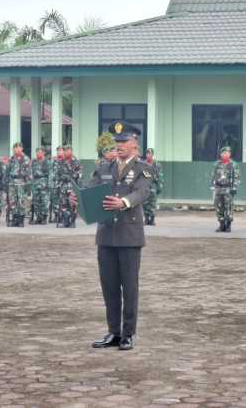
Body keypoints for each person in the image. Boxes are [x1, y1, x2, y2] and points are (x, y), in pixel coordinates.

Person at [71, 120, 153, 351]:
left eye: (123, 141)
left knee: (129, 286)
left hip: (129, 235)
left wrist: (124, 202)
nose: (119, 145)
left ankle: (128, 333)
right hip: (106, 234)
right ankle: (113, 332)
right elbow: (90, 187)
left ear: (134, 143)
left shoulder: (142, 168)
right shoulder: (105, 167)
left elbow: (142, 192)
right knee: (109, 286)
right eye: (117, 141)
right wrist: (78, 198)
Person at [211, 146, 240, 232]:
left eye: (227, 153)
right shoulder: (217, 164)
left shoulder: (234, 164)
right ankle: (221, 224)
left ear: (230, 154)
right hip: (218, 188)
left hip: (228, 188)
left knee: (228, 207)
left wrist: (235, 187)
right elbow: (213, 176)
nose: (225, 154)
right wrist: (212, 186)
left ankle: (228, 225)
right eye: (223, 153)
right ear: (221, 154)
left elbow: (237, 177)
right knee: (219, 207)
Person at [5, 142, 32, 227]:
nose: (17, 149)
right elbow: (7, 171)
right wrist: (5, 182)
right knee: (12, 202)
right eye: (15, 148)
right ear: (13, 149)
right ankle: (15, 218)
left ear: (22, 148)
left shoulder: (26, 159)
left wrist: (28, 186)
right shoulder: (11, 159)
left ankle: (21, 220)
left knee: (21, 202)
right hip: (12, 182)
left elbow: (29, 173)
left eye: (19, 147)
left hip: (21, 182)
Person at [58, 145, 83, 227]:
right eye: (65, 150)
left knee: (73, 205)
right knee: (63, 205)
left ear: (71, 151)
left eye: (68, 150)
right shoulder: (61, 161)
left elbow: (79, 175)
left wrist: (69, 177)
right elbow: (58, 174)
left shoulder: (76, 162)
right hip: (63, 186)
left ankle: (72, 222)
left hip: (73, 187)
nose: (66, 152)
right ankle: (66, 221)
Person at [142, 148, 163, 226]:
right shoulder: (143, 164)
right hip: (145, 185)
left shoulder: (157, 164)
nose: (148, 155)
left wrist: (159, 186)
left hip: (153, 185)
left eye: (150, 154)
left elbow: (160, 176)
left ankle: (152, 219)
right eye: (147, 154)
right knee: (145, 203)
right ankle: (146, 219)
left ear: (152, 155)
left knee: (153, 203)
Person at [30, 147, 51, 224]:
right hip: (35, 183)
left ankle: (44, 218)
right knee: (36, 202)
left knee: (44, 202)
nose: (38, 153)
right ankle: (38, 217)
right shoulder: (34, 162)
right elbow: (31, 173)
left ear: (43, 153)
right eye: (37, 152)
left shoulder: (47, 162)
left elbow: (50, 175)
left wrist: (48, 184)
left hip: (44, 183)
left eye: (40, 152)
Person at [49, 146, 65, 223]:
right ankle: (56, 216)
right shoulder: (54, 161)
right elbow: (51, 172)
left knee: (62, 200)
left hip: (63, 184)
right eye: (58, 151)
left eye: (60, 150)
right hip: (55, 184)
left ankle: (63, 216)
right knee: (55, 200)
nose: (59, 152)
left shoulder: (65, 161)